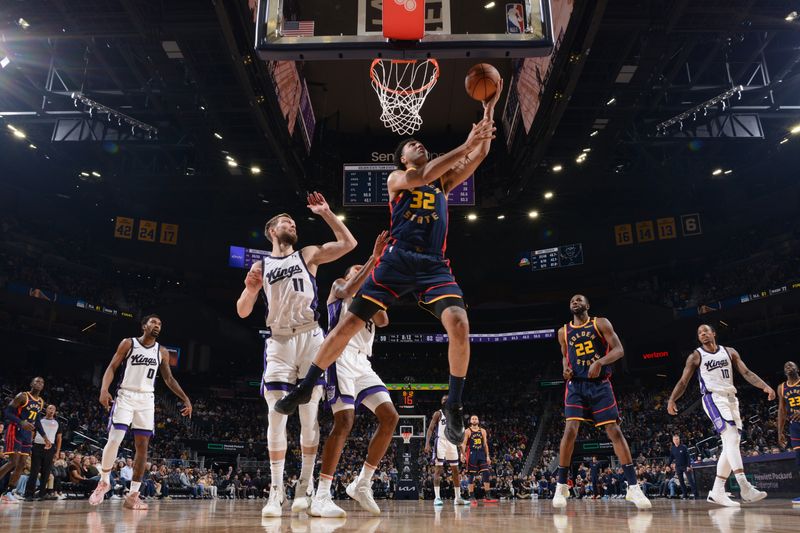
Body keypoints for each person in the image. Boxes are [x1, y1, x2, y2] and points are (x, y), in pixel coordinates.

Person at [274, 83, 504, 453]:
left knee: (460, 325)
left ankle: (455, 403)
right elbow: (423, 175)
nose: (419, 144)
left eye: (421, 144)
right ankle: (308, 383)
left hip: (433, 265)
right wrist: (465, 143)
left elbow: (481, 152)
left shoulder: (443, 183)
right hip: (395, 259)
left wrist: (489, 108)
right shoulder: (397, 179)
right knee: (348, 323)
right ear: (401, 157)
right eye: (412, 144)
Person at [236, 192, 358, 517]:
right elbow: (243, 311)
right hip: (278, 342)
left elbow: (349, 244)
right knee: (276, 415)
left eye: (293, 221)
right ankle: (275, 493)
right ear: (272, 230)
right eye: (285, 221)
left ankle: (303, 488)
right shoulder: (261, 266)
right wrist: (249, 290)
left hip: (310, 337)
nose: (292, 223)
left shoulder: (308, 255)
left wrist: (327, 213)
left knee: (309, 415)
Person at [308, 232, 401, 518]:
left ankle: (362, 483)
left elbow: (383, 321)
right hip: (340, 354)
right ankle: (321, 494)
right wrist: (373, 260)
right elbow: (347, 291)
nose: (363, 271)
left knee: (390, 417)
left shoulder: (370, 295)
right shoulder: (339, 286)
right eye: (358, 269)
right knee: (345, 421)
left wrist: (377, 287)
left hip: (364, 363)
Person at [553, 295, 651, 509]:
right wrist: (565, 369)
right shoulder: (563, 331)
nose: (574, 302)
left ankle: (633, 487)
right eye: (571, 300)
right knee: (570, 430)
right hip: (576, 385)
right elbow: (564, 356)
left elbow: (619, 350)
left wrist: (600, 361)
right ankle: (561, 485)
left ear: (587, 305)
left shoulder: (600, 323)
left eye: (579, 299)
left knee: (614, 431)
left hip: (599, 385)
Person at [90, 315, 192, 510]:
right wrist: (104, 389)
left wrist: (185, 398)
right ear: (144, 325)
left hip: (146, 399)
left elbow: (169, 380)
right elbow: (112, 366)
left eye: (160, 323)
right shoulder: (129, 343)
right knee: (115, 439)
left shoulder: (162, 351)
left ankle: (133, 495)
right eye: (154, 322)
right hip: (126, 395)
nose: (157, 325)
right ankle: (104, 481)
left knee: (142, 448)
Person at [668, 323, 773, 507]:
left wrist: (764, 386)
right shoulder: (696, 356)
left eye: (706, 331)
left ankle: (717, 491)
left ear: (714, 333)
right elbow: (683, 382)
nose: (703, 334)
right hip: (713, 398)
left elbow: (746, 372)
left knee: (730, 444)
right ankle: (744, 486)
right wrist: (671, 399)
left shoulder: (730, 351)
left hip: (731, 398)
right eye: (699, 332)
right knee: (730, 436)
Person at [0, 376, 45, 504]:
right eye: (37, 381)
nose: (39, 383)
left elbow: (36, 420)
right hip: (15, 430)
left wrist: (45, 436)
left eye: (42, 382)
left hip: (27, 434)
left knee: (21, 464)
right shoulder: (22, 396)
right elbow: (7, 412)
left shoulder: (40, 402)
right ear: (31, 383)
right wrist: (21, 422)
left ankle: (8, 492)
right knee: (12, 462)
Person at [425, 395, 468, 507]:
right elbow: (430, 429)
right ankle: (437, 497)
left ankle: (458, 498)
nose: (445, 401)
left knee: (456, 470)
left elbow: (459, 433)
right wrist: (427, 443)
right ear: (441, 402)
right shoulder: (438, 413)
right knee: (438, 469)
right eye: (443, 400)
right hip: (441, 442)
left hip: (452, 442)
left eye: (447, 400)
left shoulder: (455, 414)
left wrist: (463, 451)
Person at [24, 404, 61, 501]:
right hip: (37, 446)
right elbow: (32, 432)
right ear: (46, 410)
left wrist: (57, 452)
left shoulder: (57, 423)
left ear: (55, 411)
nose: (51, 410)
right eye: (49, 408)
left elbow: (59, 438)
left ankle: (41, 494)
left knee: (46, 472)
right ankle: (29, 494)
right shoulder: (39, 420)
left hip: (50, 448)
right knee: (34, 471)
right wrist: (29, 445)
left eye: (53, 409)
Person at [776, 360, 800, 505]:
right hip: (795, 426)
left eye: (791, 365)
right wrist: (780, 432)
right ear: (784, 372)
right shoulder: (781, 388)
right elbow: (781, 410)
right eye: (786, 366)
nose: (788, 367)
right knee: (799, 459)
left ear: (797, 368)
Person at [463, 415, 497, 504]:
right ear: (470, 421)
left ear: (478, 421)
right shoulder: (467, 431)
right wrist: (462, 455)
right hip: (471, 454)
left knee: (486, 473)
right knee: (471, 475)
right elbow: (463, 444)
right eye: (473, 419)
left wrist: (488, 456)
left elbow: (485, 444)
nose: (474, 420)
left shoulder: (483, 431)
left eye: (476, 418)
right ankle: (471, 496)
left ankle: (488, 495)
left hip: (481, 453)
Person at [669, 434, 695, 499]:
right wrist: (668, 464)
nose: (676, 440)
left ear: (679, 439)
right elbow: (671, 457)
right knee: (681, 481)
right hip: (678, 467)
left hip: (685, 466)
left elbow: (688, 457)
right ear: (673, 440)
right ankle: (685, 495)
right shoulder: (672, 448)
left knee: (690, 480)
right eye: (675, 439)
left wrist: (688, 465)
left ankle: (695, 494)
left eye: (677, 439)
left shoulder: (684, 447)